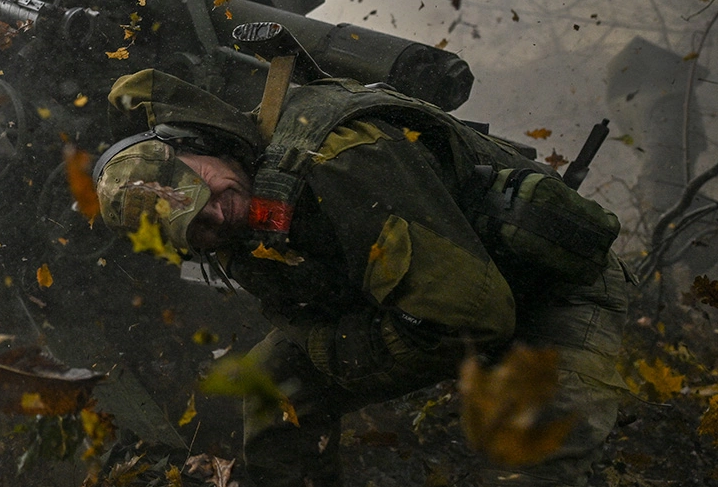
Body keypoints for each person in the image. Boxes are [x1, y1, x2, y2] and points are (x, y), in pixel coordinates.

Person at [94, 68, 634, 487]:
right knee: (269, 386)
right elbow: (296, 313)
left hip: (546, 289)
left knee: (529, 462)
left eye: (198, 189)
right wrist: (331, 343)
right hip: (421, 297)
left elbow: (470, 318)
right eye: (194, 228)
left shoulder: (338, 159)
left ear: (198, 143)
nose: (215, 216)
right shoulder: (234, 222)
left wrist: (336, 351)